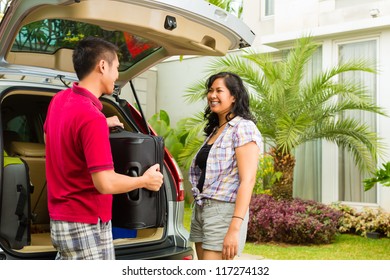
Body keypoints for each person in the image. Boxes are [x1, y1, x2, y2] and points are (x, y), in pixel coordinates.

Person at [44, 37, 163, 260]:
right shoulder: (90, 117)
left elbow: (51, 136)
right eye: (116, 67)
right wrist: (144, 181)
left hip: (61, 221)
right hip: (85, 224)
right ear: (102, 66)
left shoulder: (59, 100)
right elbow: (105, 183)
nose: (117, 75)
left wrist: (99, 124)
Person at [189, 72, 262, 260]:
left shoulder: (243, 127)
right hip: (202, 208)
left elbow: (248, 180)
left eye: (219, 90)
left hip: (223, 211)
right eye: (210, 90)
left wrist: (235, 227)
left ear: (234, 96)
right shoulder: (215, 130)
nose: (212, 95)